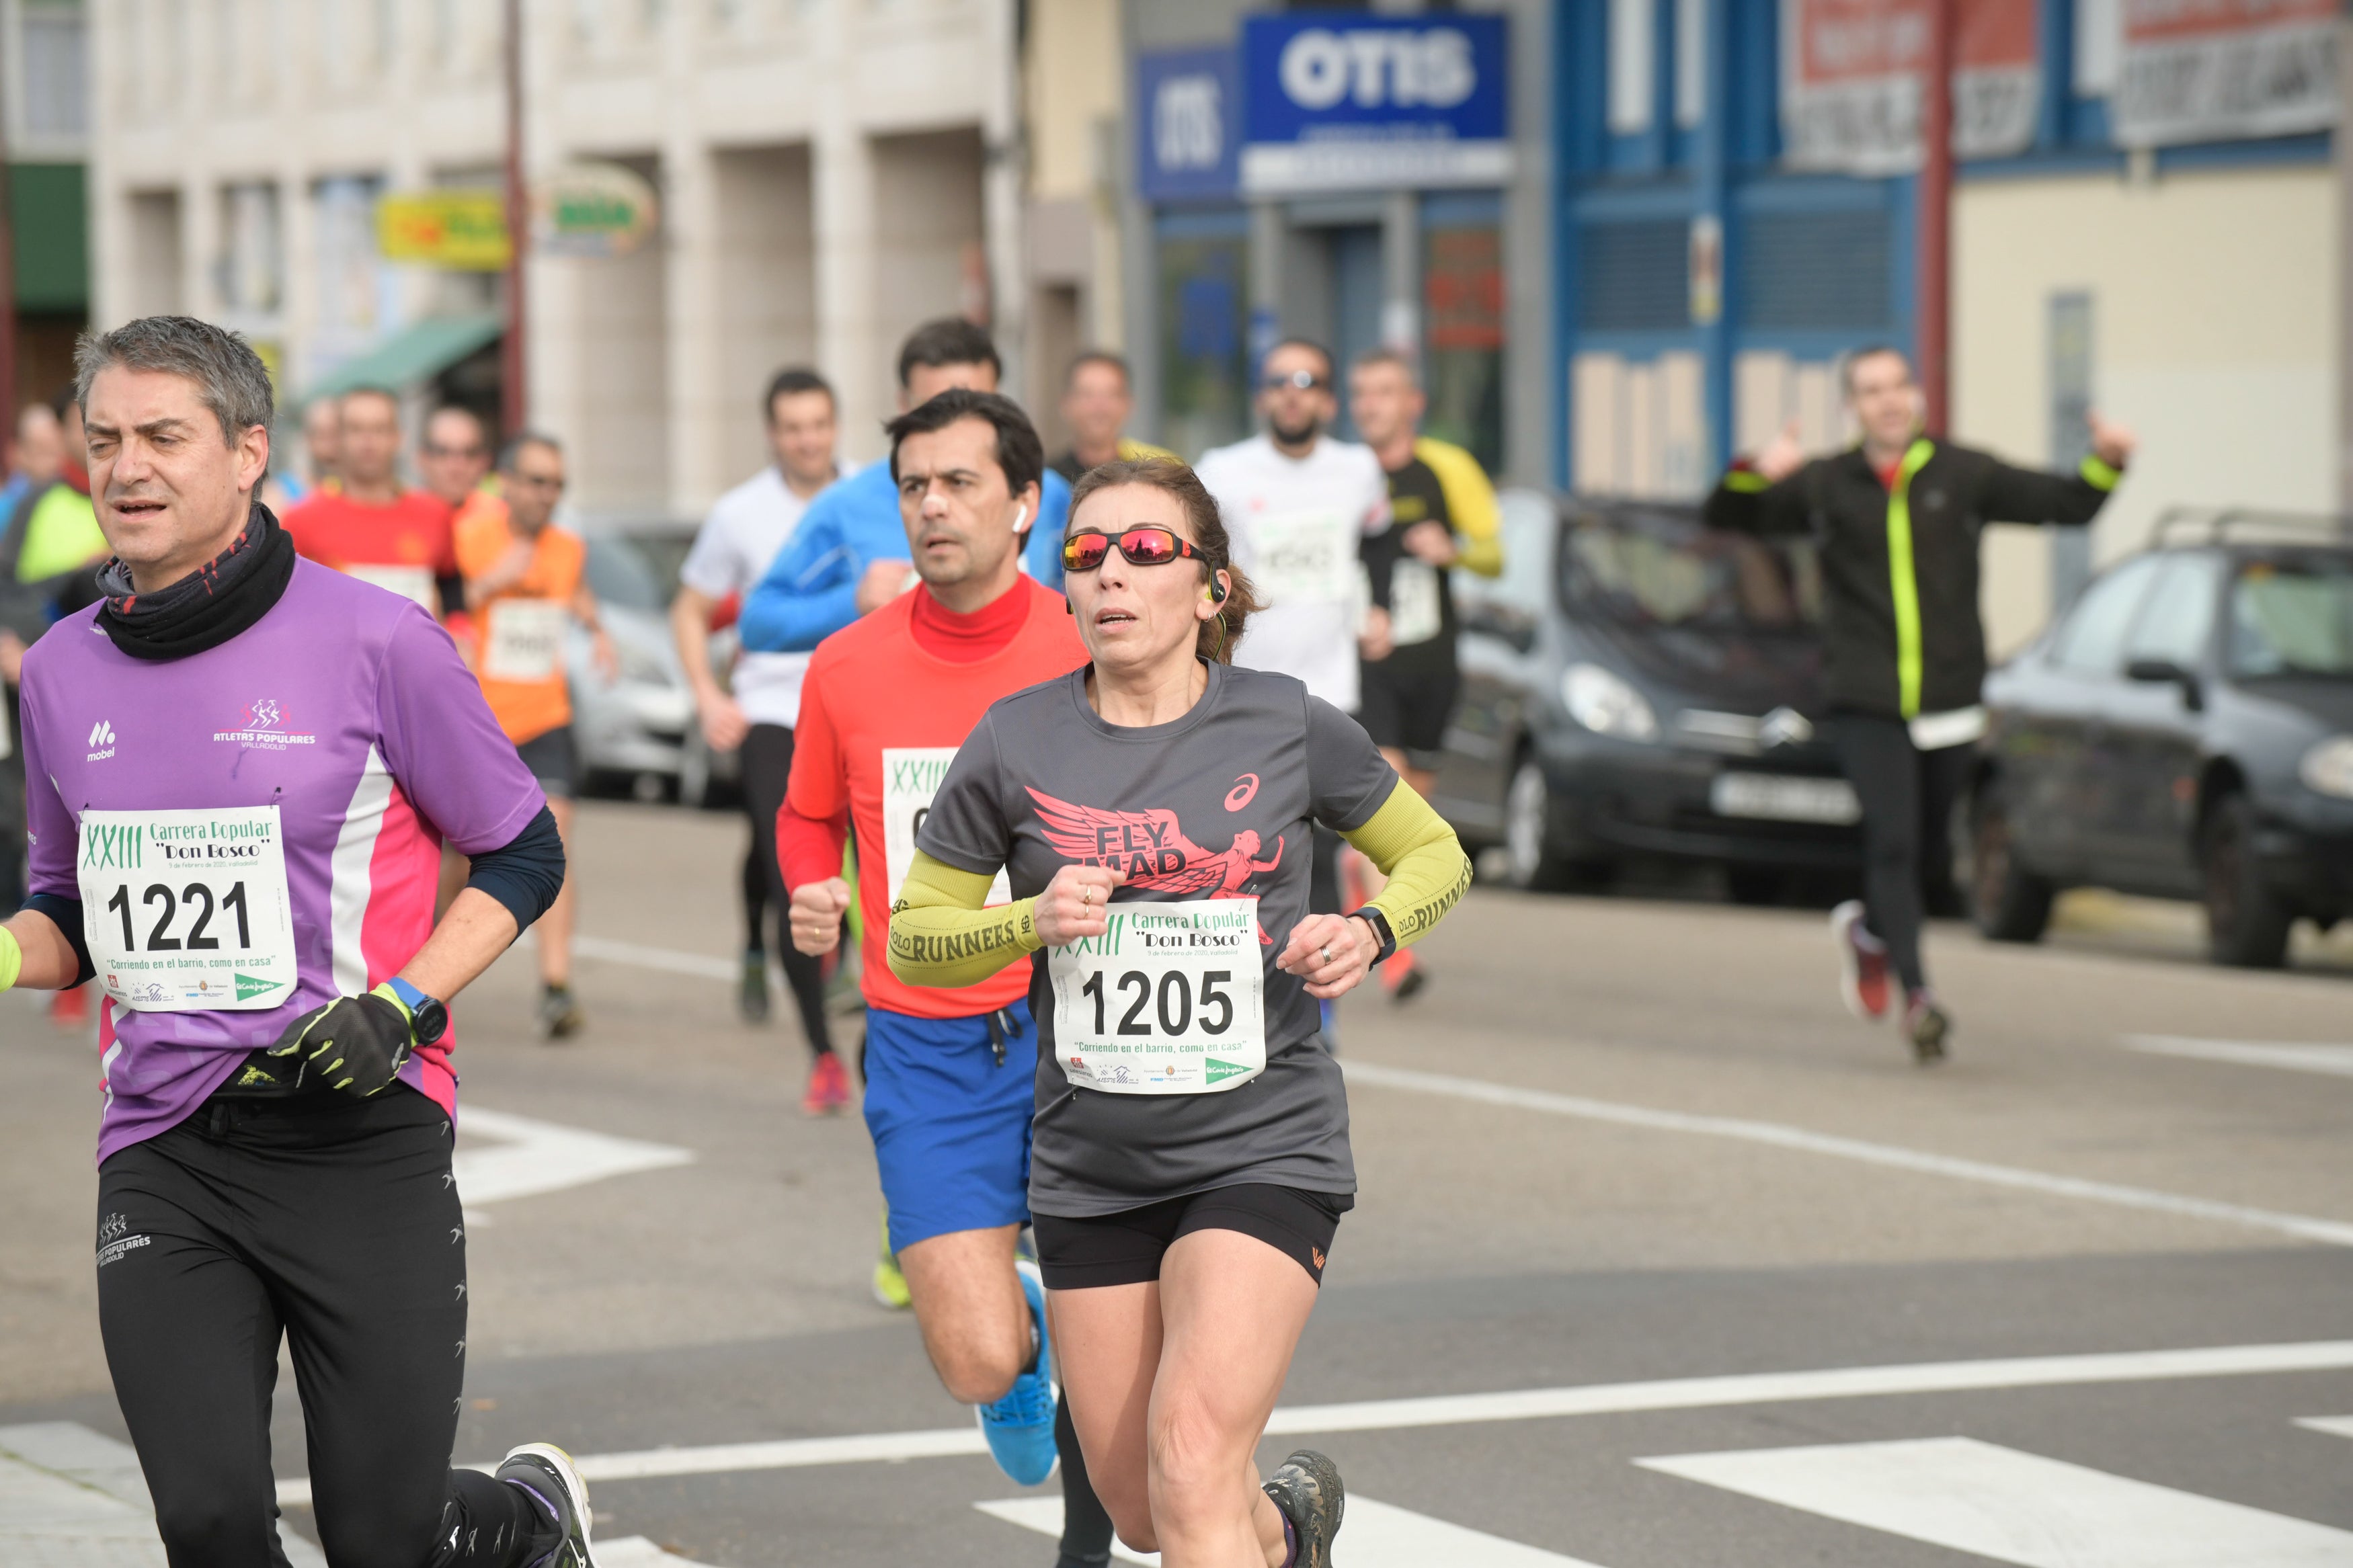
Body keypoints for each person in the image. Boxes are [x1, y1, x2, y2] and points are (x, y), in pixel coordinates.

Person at [0, 314, 594, 1567]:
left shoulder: (378, 642)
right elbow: (68, 910)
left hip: (357, 1134)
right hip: (166, 1147)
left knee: (385, 1535)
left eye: (165, 436)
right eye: (105, 439)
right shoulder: (57, 671)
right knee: (210, 1523)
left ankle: (532, 1522)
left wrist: (404, 1004)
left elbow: (525, 850)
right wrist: (6, 952)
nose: (126, 468)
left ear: (250, 450)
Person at [889, 455, 1471, 1568]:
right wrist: (1031, 921)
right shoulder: (1015, 742)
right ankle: (1290, 1532)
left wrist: (1372, 928)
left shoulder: (1288, 722)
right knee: (1154, 1512)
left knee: (1195, 1452)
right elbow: (918, 932)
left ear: (1209, 588)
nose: (1112, 571)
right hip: (1092, 1162)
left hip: (1263, 1143)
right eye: (1086, 551)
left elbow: (1433, 851)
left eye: (1147, 549)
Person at [777, 388, 1114, 1568]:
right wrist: (815, 890)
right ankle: (1006, 1343)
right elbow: (808, 814)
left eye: (960, 482)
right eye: (913, 484)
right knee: (975, 1355)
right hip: (926, 1035)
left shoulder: (1089, 645)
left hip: (1084, 1023)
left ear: (1026, 503)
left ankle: (1087, 1538)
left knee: (1112, 1318)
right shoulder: (849, 663)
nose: (932, 506)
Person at [1704, 344, 2134, 1060]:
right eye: (1870, 391)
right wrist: (1752, 469)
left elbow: (2065, 503)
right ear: (1853, 407)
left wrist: (2107, 463)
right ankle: (1919, 995)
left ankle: (1870, 932)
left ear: (1917, 396)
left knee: (1929, 851)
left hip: (1949, 694)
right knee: (1893, 841)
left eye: (1896, 386)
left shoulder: (1962, 473)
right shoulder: (1824, 483)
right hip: (1865, 696)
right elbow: (1727, 515)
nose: (1887, 401)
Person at [1194, 339, 1391, 1026]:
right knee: (1250, 852)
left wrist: (1378, 608)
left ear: (1327, 398)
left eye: (1306, 381)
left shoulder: (1358, 471)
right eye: (1278, 380)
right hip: (1245, 692)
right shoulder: (1223, 470)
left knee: (1322, 857)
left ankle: (1317, 1010)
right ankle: (1237, 991)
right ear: (1262, 394)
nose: (1291, 392)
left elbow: (1377, 546)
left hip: (1331, 693)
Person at [672, 367, 850, 1110]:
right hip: (773, 709)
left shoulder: (872, 496)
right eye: (792, 427)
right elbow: (689, 609)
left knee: (853, 860)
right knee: (793, 875)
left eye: (818, 423)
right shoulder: (740, 513)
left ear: (835, 425)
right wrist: (709, 695)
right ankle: (821, 1053)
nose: (807, 439)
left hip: (856, 707)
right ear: (772, 433)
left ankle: (760, 941)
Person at [738, 318, 1071, 658]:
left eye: (975, 406)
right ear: (903, 404)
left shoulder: (1051, 495)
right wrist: (853, 600)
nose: (954, 425)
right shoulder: (848, 503)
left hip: (1034, 699)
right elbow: (757, 621)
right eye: (936, 409)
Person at [1341, 347, 1503, 1001]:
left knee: (1413, 819)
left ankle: (1367, 893)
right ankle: (1394, 952)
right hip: (1364, 664)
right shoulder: (1342, 473)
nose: (1370, 405)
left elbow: (1493, 553)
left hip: (1432, 662)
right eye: (1361, 393)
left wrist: (1455, 548)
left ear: (1414, 402)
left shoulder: (1447, 467)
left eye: (1384, 392)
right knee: (1383, 796)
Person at [456, 433, 616, 1040]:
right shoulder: (471, 538)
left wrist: (596, 625)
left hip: (546, 714)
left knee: (557, 834)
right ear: (508, 482)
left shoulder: (567, 546)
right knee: (457, 860)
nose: (547, 495)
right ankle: (426, 967)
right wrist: (491, 581)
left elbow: (568, 585)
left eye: (557, 484)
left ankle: (555, 985)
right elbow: (445, 605)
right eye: (537, 481)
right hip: (483, 719)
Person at [0, 389, 108, 952]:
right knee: (42, 809)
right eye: (90, 429)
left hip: (122, 679)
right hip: (45, 684)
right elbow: (6, 586)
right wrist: (11, 647)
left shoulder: (139, 497)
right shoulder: (37, 501)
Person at [283, 388, 462, 618]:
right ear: (337, 439)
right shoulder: (301, 519)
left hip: (415, 653)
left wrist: (460, 628)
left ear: (399, 438)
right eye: (357, 429)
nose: (368, 441)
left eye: (380, 429)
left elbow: (451, 585)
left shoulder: (435, 513)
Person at [1047, 352, 1174, 485]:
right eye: (1087, 395)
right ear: (1065, 404)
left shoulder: (1158, 474)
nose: (1099, 407)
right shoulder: (1047, 482)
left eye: (1111, 395)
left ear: (1128, 404)